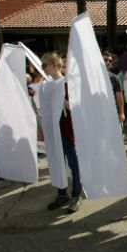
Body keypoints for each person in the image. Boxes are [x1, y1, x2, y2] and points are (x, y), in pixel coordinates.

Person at [42, 52, 83, 213]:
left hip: (67, 130)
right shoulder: (47, 85)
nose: (43, 68)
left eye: (45, 65)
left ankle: (76, 195)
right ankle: (61, 194)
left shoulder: (67, 83)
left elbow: (73, 106)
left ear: (54, 65)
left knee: (74, 164)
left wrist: (61, 99)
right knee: (57, 161)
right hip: (54, 130)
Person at [103, 52, 125, 130]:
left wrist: (121, 113)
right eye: (105, 59)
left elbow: (119, 96)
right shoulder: (92, 77)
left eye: (110, 61)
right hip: (99, 114)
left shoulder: (114, 78)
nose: (108, 62)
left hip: (114, 114)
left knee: (118, 140)